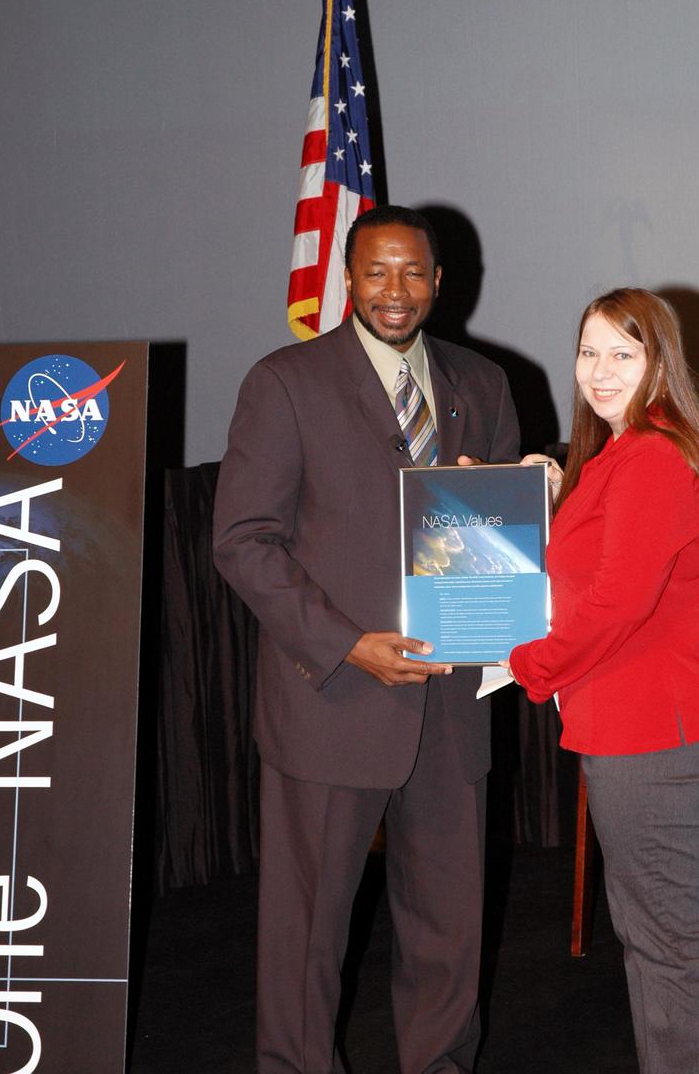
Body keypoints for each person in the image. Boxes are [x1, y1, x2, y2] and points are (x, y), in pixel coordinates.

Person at [213, 205, 520, 1074]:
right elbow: (242, 541)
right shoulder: (286, 382)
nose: (396, 290)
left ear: (439, 281)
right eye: (377, 272)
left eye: (413, 273)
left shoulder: (483, 383)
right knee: (307, 934)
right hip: (334, 701)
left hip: (452, 706)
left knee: (448, 933)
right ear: (348, 279)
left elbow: (497, 548)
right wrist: (349, 644)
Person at [509, 288, 699, 1074]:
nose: (600, 371)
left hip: (655, 733)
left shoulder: (649, 456)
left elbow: (614, 603)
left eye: (624, 353)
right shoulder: (630, 451)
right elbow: (605, 563)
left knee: (671, 948)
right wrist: (543, 498)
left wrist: (524, 664)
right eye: (589, 352)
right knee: (659, 940)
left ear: (659, 363)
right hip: (654, 724)